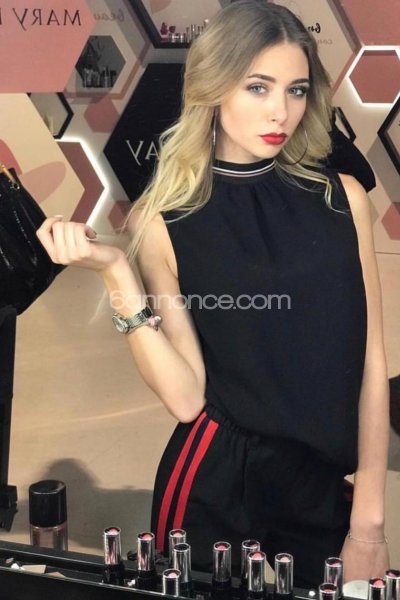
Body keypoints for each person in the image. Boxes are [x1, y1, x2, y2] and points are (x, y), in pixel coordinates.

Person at [37, 0, 390, 588]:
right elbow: (185, 398)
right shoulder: (163, 221)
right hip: (213, 484)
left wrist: (370, 522)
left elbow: (372, 361)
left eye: (296, 90)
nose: (280, 111)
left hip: (319, 484)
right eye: (257, 87)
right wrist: (116, 273)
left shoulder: (343, 199)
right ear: (213, 87)